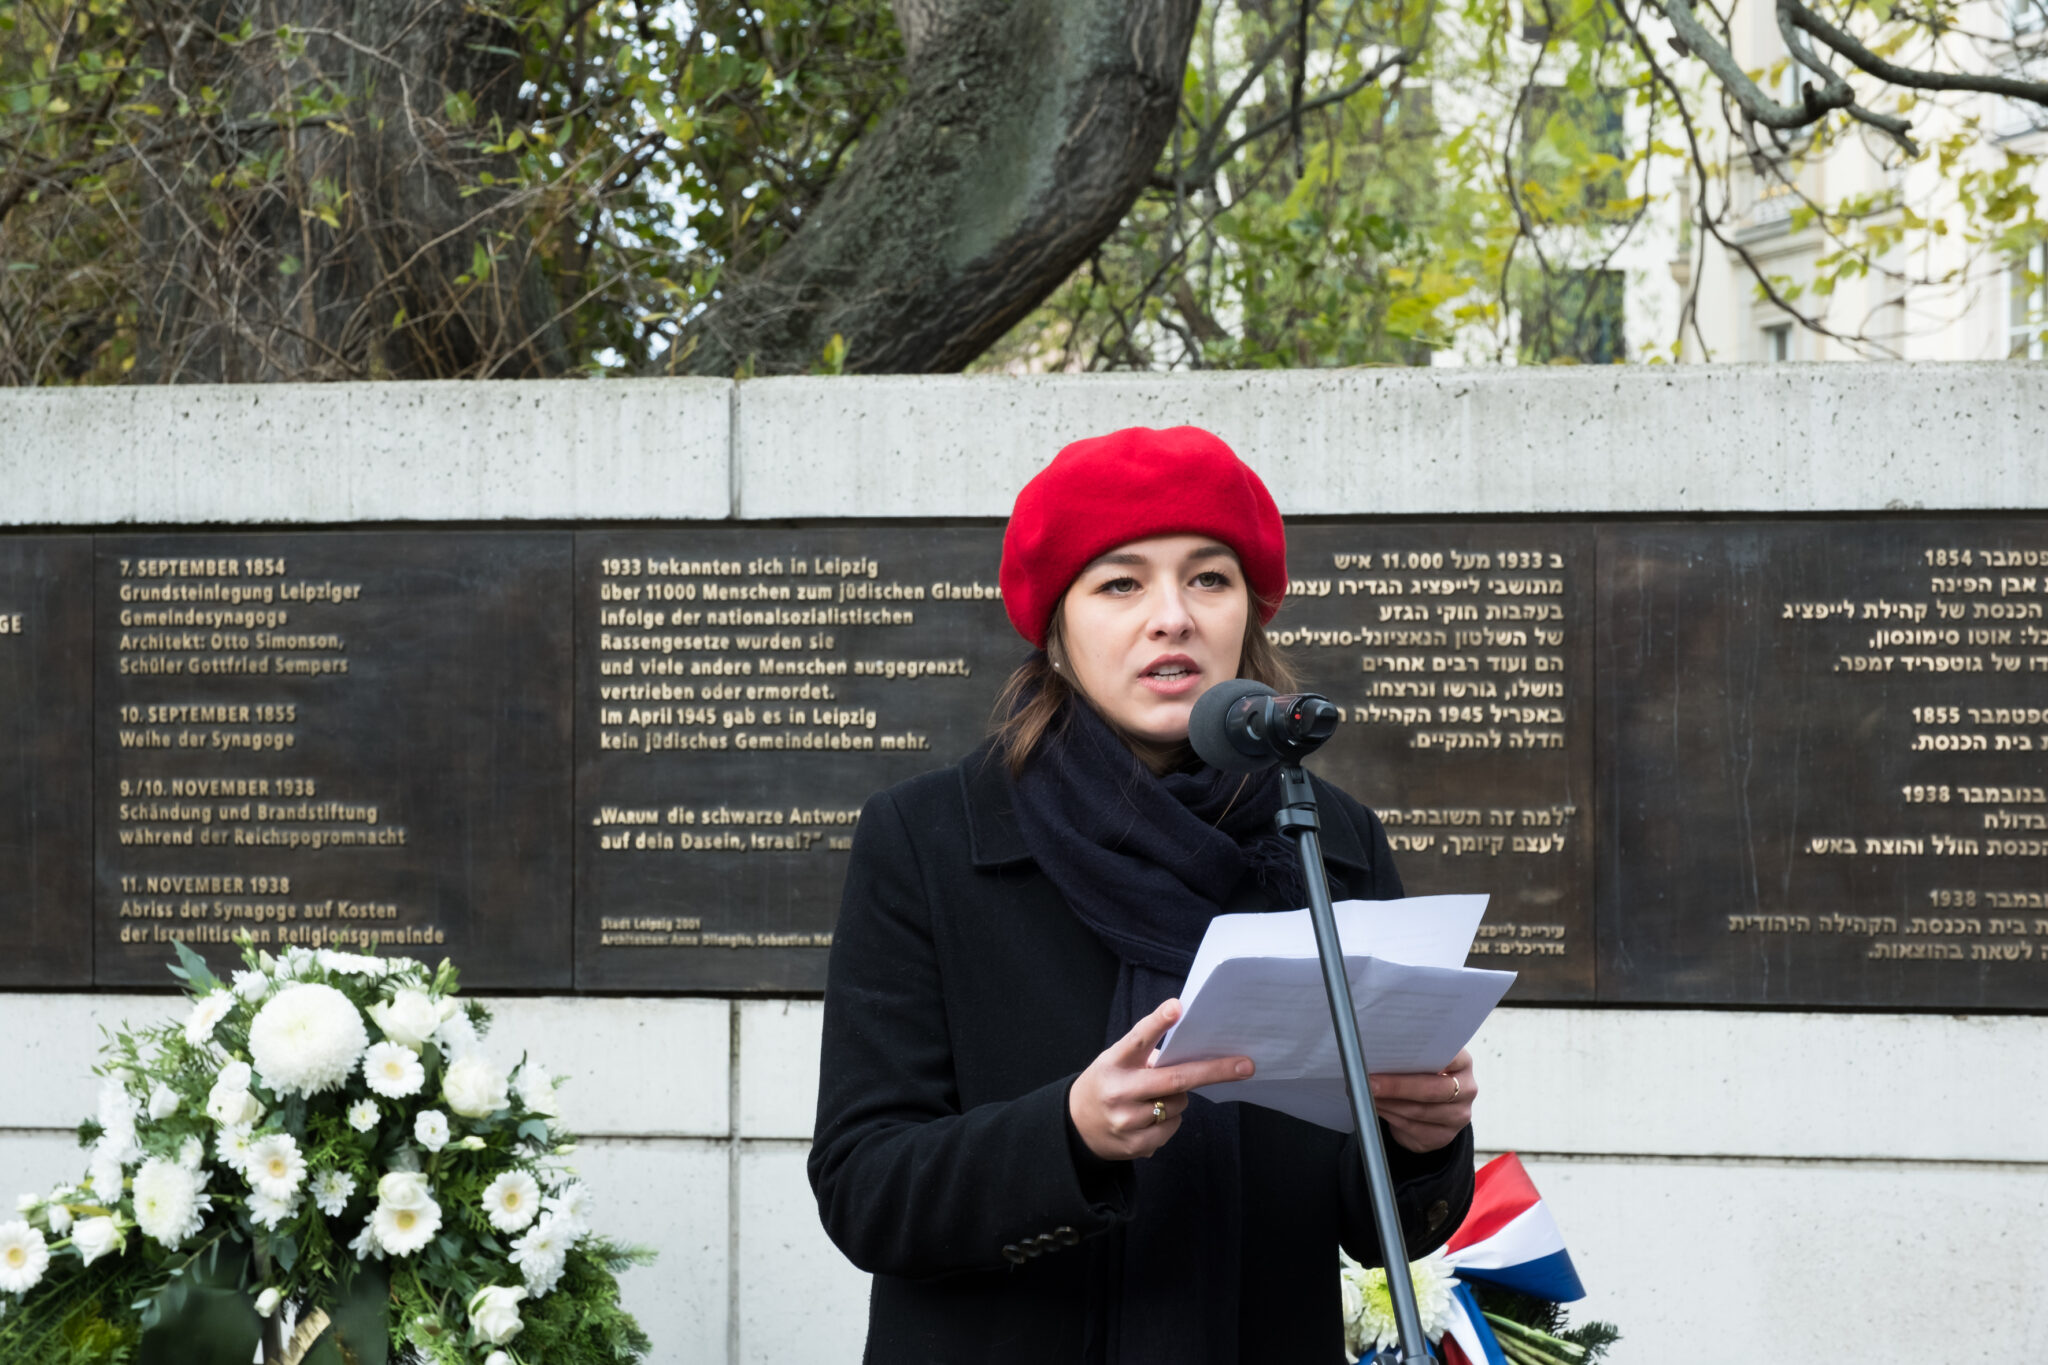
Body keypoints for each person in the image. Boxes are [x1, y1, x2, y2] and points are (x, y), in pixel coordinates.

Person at [809, 426, 1478, 1365]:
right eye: (1120, 583)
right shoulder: (929, 838)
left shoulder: (1330, 836)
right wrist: (1070, 1132)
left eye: (1210, 578)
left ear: (1250, 610)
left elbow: (1380, 1230)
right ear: (1057, 623)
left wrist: (1422, 1137)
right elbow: (863, 1188)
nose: (1173, 616)